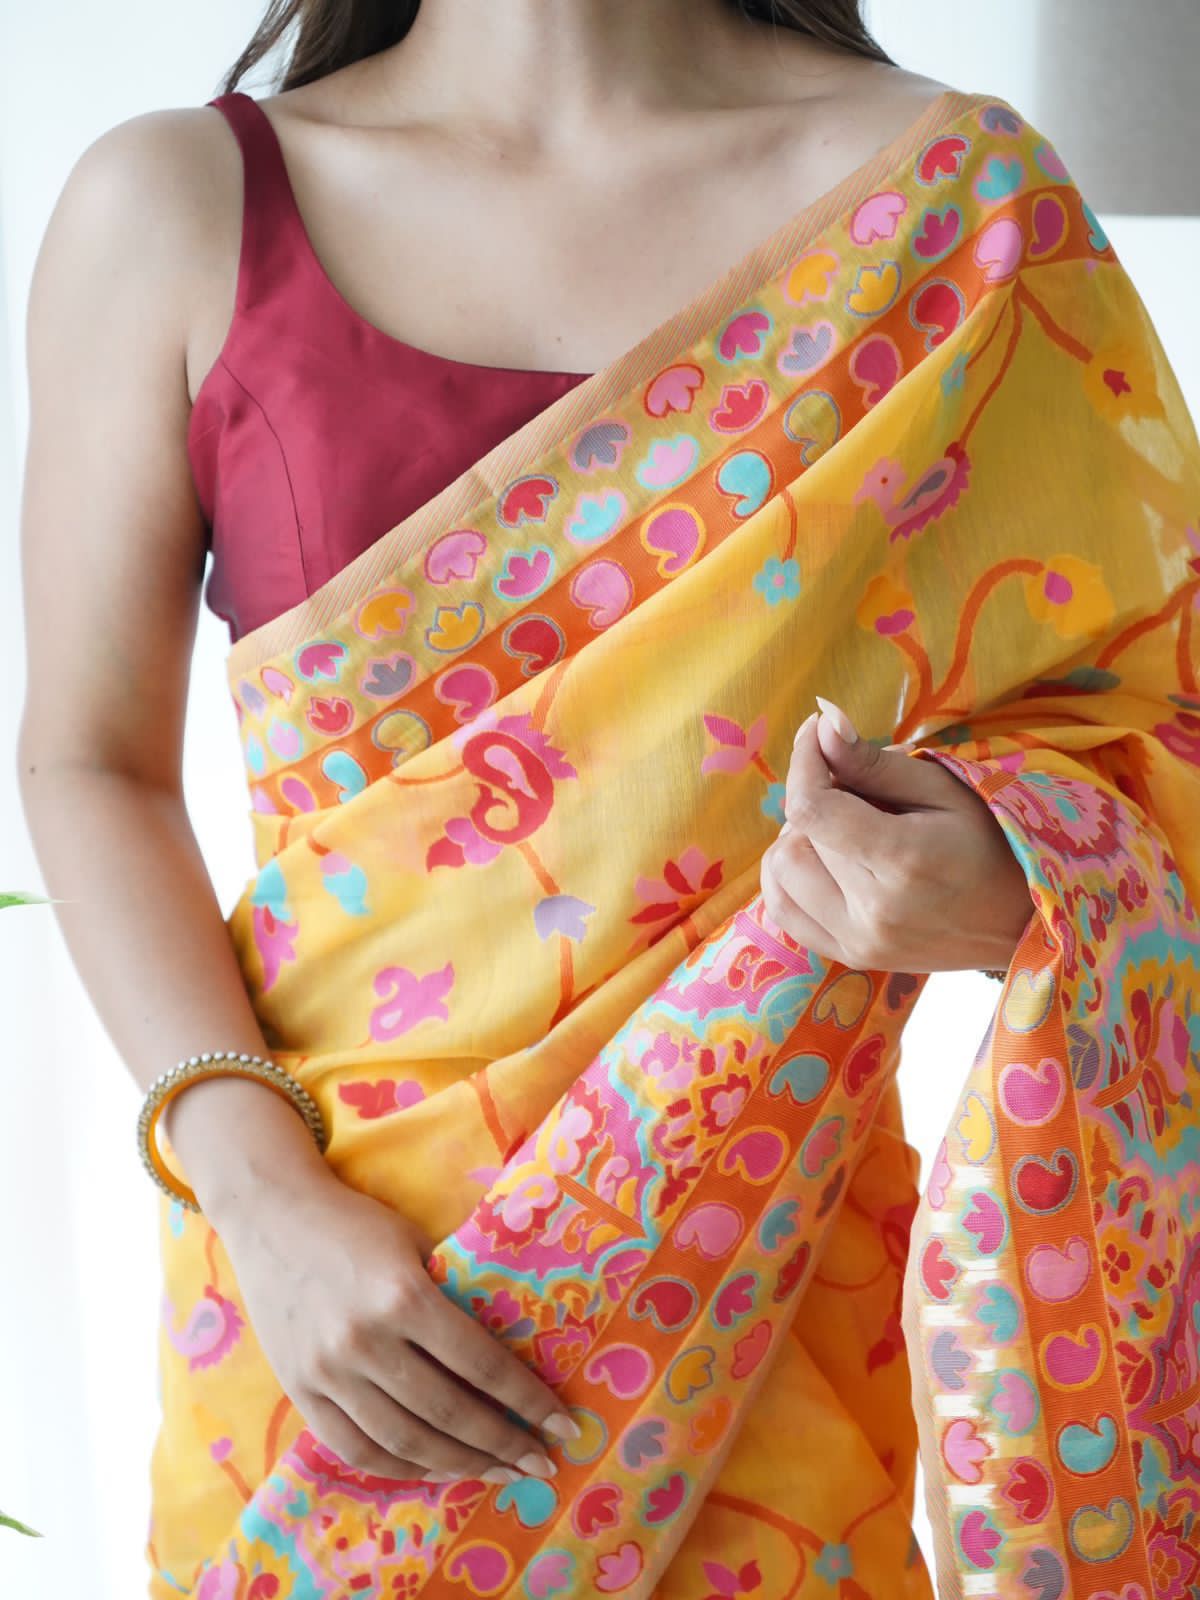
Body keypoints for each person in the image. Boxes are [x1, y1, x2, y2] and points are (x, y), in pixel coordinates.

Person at [15, 2, 1200, 1596]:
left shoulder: (957, 210)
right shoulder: (175, 207)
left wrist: (1008, 878)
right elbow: (87, 758)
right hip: (332, 1307)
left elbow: (1157, 729)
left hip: (759, 1262)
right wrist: (259, 1191)